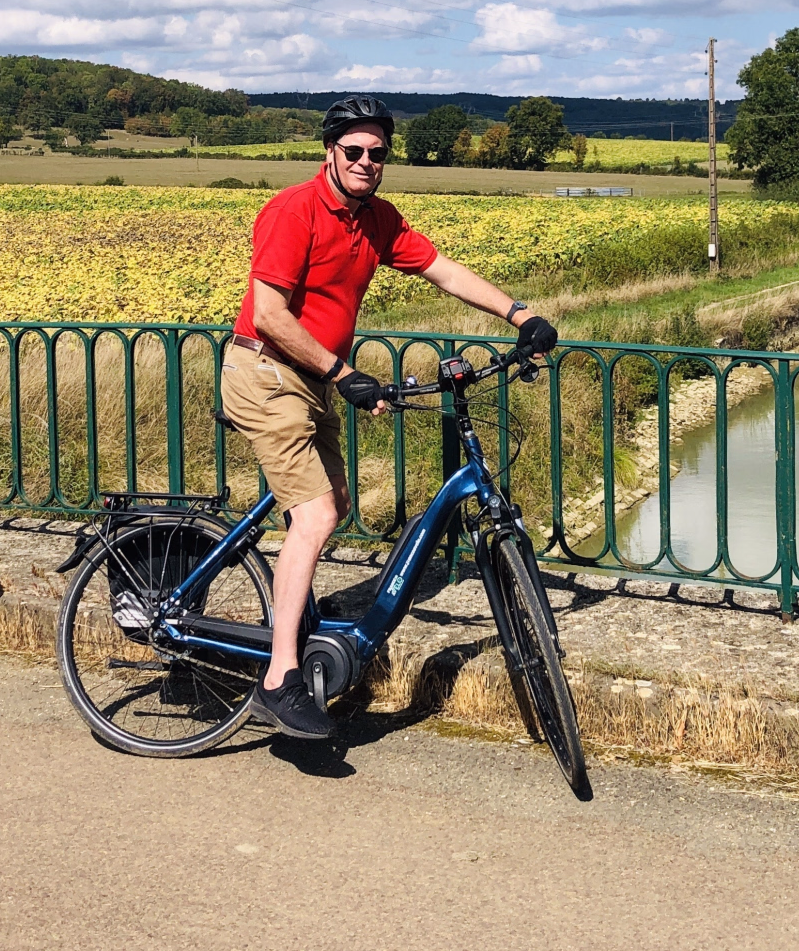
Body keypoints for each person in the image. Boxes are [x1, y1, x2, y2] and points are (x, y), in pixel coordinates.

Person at [221, 95, 559, 740]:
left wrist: (519, 315)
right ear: (330, 152)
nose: (365, 161)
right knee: (315, 516)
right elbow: (268, 315)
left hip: (314, 376)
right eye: (353, 150)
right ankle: (279, 680)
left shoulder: (377, 219)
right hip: (265, 370)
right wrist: (344, 373)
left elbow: (442, 270)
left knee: (333, 504)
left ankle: (291, 611)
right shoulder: (294, 210)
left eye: (377, 153)